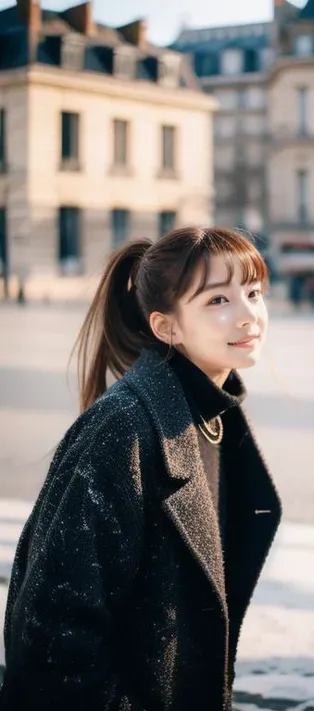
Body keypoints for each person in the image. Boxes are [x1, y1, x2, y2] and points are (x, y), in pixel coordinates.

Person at [0, 227, 282, 711]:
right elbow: (52, 639)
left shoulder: (214, 414)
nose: (248, 315)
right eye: (218, 300)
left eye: (253, 293)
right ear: (166, 327)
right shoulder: (122, 428)